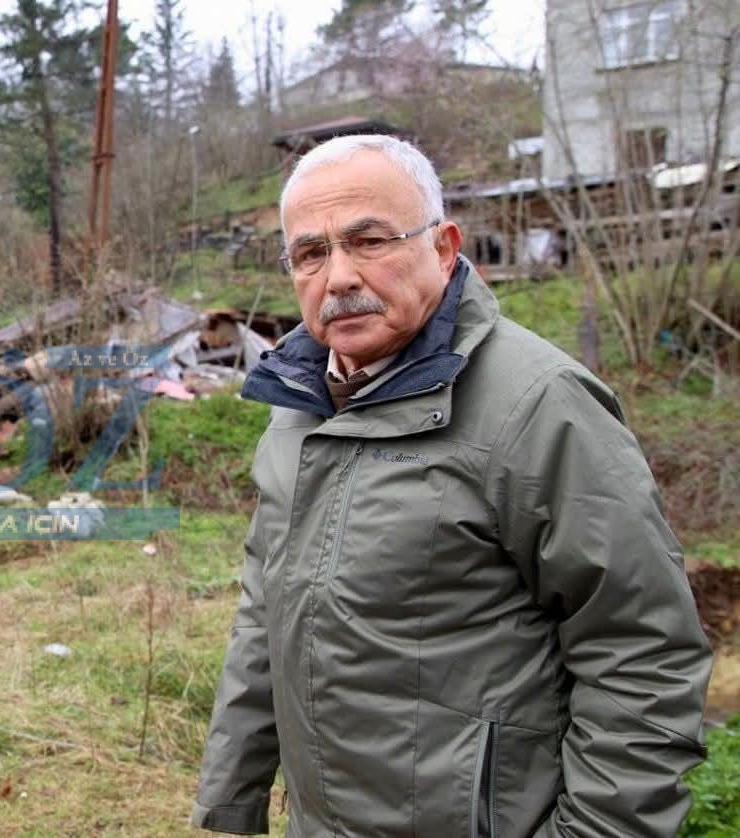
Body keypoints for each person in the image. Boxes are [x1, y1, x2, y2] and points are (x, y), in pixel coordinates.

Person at [190, 134, 712, 836]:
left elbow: (642, 652)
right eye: (310, 254)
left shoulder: (539, 405)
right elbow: (265, 619)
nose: (338, 276)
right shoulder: (299, 406)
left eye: (368, 240)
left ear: (443, 246)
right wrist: (230, 810)